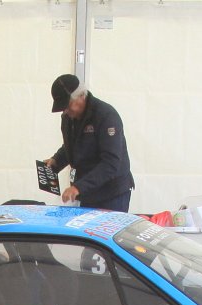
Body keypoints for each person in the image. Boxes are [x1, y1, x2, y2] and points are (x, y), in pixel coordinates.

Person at [44, 74, 135, 213]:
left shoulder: (106, 116)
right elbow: (71, 146)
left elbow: (111, 163)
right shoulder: (68, 117)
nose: (66, 111)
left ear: (81, 96)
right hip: (89, 191)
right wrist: (56, 160)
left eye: (68, 106)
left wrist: (78, 187)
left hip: (112, 193)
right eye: (63, 108)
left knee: (105, 228)